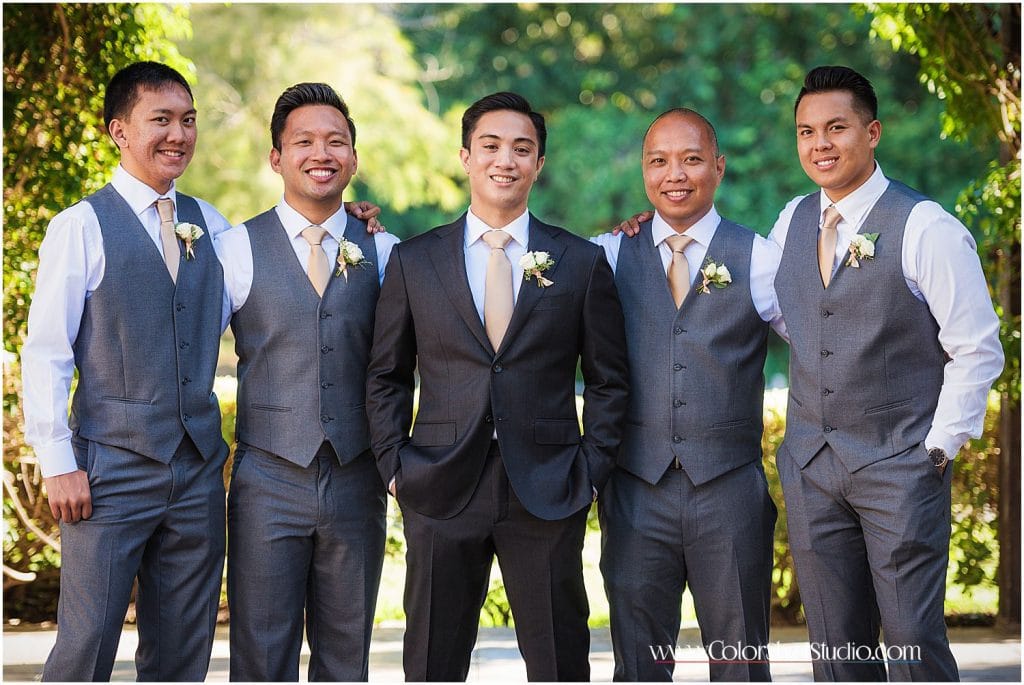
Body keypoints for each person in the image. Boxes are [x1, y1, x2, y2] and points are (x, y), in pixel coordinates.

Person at [366, 91, 629, 681]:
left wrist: (590, 471)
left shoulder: (580, 261)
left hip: (548, 486)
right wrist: (394, 466)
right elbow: (386, 375)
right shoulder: (414, 260)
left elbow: (609, 380)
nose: (505, 160)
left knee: (560, 662)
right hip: (438, 485)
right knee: (432, 662)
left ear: (539, 163)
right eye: (490, 146)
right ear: (465, 157)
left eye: (521, 149)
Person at [769, 65, 1003, 681]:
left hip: (900, 465)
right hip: (811, 465)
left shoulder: (926, 226)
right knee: (835, 648)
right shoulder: (791, 219)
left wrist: (936, 449)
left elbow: (977, 349)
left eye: (836, 128)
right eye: (806, 131)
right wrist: (655, 229)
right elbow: (786, 314)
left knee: (911, 642)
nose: (819, 144)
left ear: (872, 133)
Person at [21, 61, 231, 681]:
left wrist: (345, 222)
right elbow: (47, 351)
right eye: (160, 119)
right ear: (119, 131)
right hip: (107, 469)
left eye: (188, 120)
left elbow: (281, 265)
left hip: (196, 471)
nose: (178, 135)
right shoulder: (80, 226)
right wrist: (57, 461)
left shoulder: (213, 225)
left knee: (182, 654)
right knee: (86, 646)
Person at [593, 108, 782, 681]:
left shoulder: (760, 257)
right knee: (638, 664)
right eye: (659, 161)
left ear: (718, 168)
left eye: (691, 159)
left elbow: (826, 342)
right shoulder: (607, 254)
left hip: (730, 491)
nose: (674, 174)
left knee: (740, 662)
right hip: (634, 489)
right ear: (644, 171)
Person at [218, 82, 397, 681]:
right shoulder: (233, 249)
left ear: (354, 158)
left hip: (358, 477)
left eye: (336, 141)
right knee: (260, 656)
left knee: (347, 657)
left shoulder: (387, 251)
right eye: (304, 142)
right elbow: (186, 357)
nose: (321, 153)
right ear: (276, 158)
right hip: (266, 478)